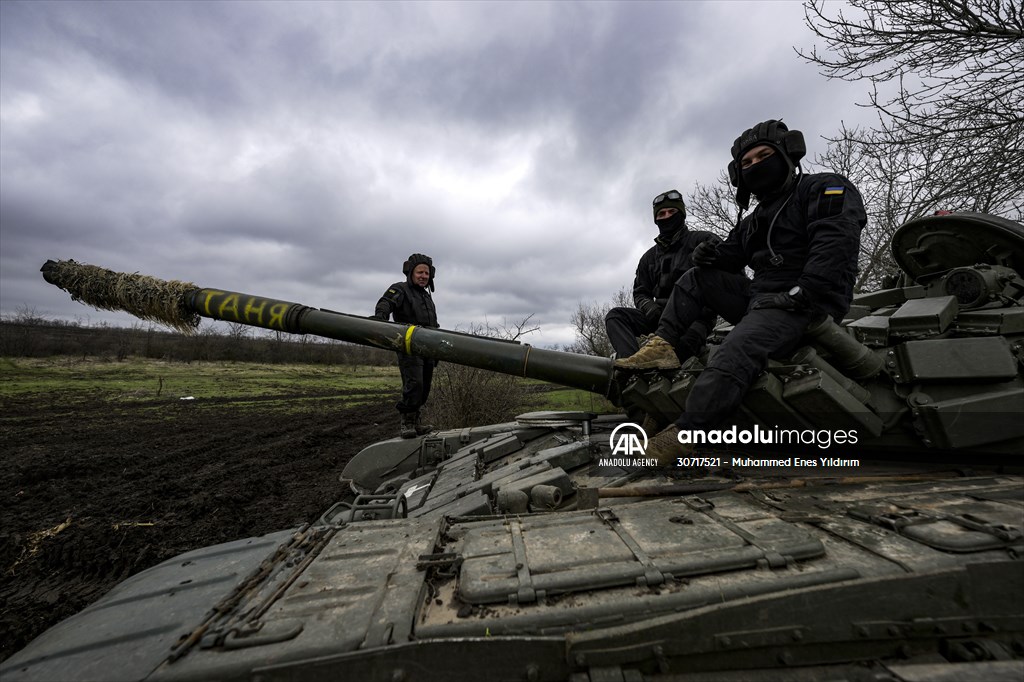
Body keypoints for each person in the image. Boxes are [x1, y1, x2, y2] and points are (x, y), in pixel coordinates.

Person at [616, 120, 866, 463]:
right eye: (746, 163)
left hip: (809, 302)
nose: (755, 166)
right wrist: (709, 256)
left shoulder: (823, 188)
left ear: (787, 157)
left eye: (764, 156)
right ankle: (663, 346)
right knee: (695, 277)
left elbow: (835, 244)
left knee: (736, 347)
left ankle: (687, 433)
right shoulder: (755, 218)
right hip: (762, 300)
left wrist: (802, 292)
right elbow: (731, 254)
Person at [605, 190, 720, 367]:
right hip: (658, 318)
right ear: (656, 219)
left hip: (694, 320)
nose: (666, 217)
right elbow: (640, 292)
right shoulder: (648, 258)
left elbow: (726, 272)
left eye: (671, 212)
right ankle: (629, 364)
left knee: (679, 355)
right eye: (661, 214)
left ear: (681, 214)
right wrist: (649, 307)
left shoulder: (703, 240)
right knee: (616, 316)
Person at [373, 253, 440, 439]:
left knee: (425, 387)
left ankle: (416, 421)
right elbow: (386, 303)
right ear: (411, 272)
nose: (423, 276)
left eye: (427, 273)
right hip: (408, 346)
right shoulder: (400, 289)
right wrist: (380, 318)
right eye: (420, 272)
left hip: (428, 349)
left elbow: (433, 324)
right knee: (415, 384)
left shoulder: (427, 298)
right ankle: (407, 423)